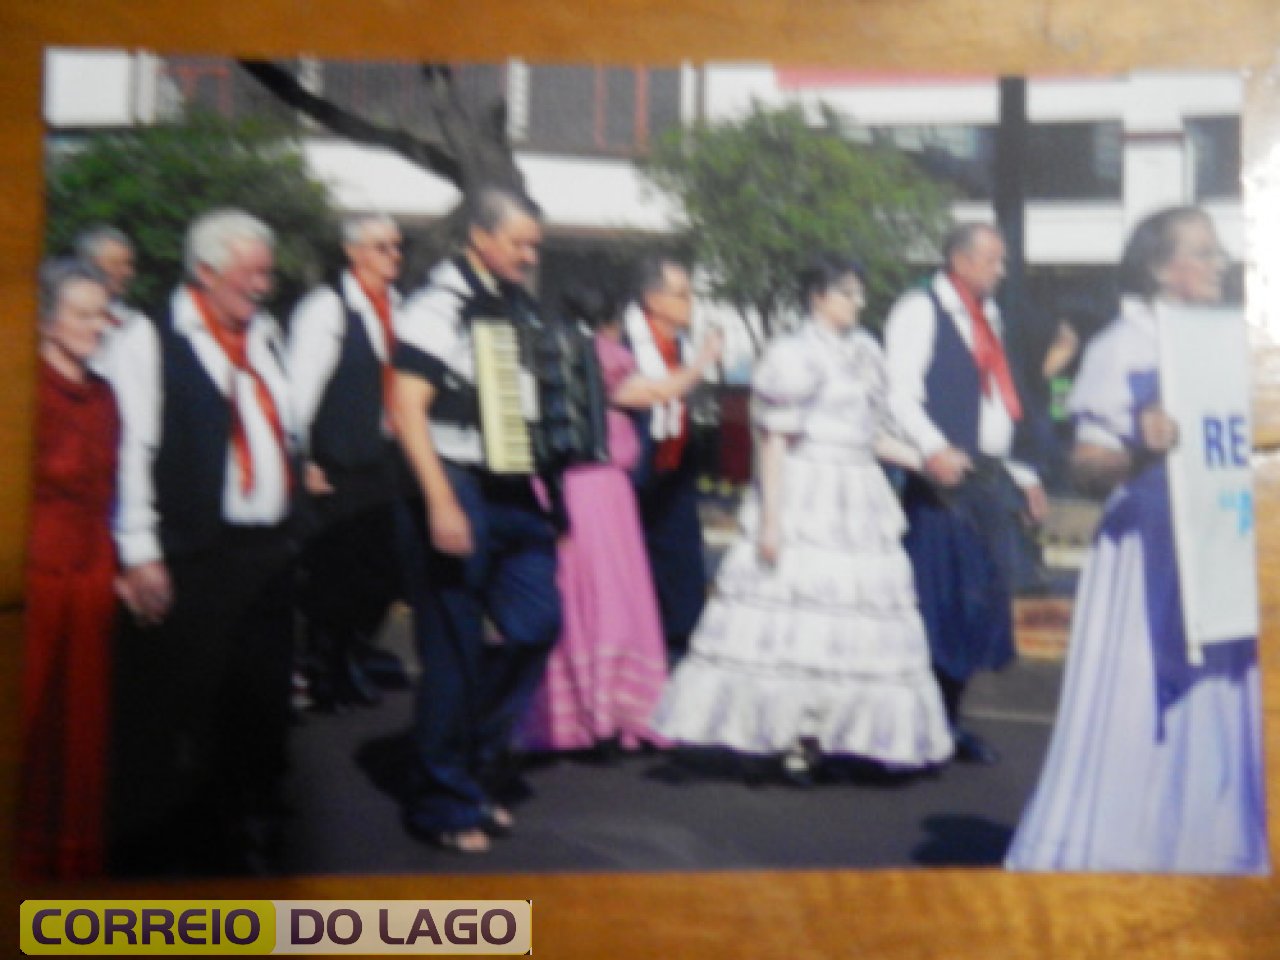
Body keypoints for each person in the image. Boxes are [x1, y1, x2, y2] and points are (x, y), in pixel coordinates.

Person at [1005, 207, 1269, 873]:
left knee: (1217, 700)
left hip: (1218, 542)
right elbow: (1087, 465)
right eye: (1202, 254)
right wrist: (1139, 453)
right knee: (1141, 703)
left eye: (1218, 254)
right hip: (1149, 550)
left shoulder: (1229, 342)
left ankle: (1206, 849)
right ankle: (1125, 852)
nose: (1217, 266)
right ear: (1159, 267)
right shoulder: (1122, 344)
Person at [654, 255, 954, 782]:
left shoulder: (865, 352)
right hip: (807, 489)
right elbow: (774, 440)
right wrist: (772, 521)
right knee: (794, 613)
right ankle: (791, 735)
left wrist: (928, 460)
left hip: (857, 489)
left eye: (860, 294)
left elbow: (870, 435)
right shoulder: (792, 354)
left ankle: (833, 732)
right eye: (848, 293)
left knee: (852, 613)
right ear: (819, 297)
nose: (858, 303)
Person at [109, 209, 296, 875]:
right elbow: (133, 449)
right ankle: (180, 854)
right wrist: (139, 552)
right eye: (252, 273)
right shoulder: (151, 341)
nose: (263, 285)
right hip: (197, 553)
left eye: (267, 272)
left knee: (261, 701)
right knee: (188, 705)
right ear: (206, 270)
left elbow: (281, 433)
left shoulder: (265, 337)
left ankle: (250, 830)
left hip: (268, 552)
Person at [391, 186, 561, 854]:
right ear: (480, 238)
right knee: (454, 651)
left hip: (513, 486)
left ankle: (465, 760)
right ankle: (444, 800)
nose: (528, 256)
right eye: (519, 243)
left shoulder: (515, 306)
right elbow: (407, 410)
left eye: (533, 245)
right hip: (454, 479)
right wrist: (439, 501)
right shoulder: (436, 307)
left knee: (536, 623)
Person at [518, 283, 721, 756]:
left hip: (565, 484)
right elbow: (655, 392)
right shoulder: (602, 357)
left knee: (577, 590)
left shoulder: (551, 352)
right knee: (609, 593)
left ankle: (579, 705)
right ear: (611, 320)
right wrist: (702, 361)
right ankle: (609, 709)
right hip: (600, 488)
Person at [884, 222, 1047, 764]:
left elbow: (1001, 402)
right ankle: (923, 727)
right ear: (960, 260)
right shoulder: (920, 310)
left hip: (988, 478)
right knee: (939, 603)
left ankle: (949, 723)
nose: (1001, 271)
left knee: (979, 605)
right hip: (945, 481)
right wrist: (932, 449)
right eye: (992, 261)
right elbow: (900, 394)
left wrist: (1021, 472)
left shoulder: (987, 318)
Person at [17, 261, 117, 878]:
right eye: (81, 313)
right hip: (36, 579)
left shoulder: (104, 394)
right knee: (28, 726)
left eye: (101, 313)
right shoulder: (24, 391)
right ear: (48, 318)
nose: (95, 327)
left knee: (82, 733)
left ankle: (71, 871)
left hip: (90, 577)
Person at [288, 213, 407, 709]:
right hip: (336, 464)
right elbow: (300, 391)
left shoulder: (396, 307)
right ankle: (322, 669)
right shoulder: (328, 309)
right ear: (354, 252)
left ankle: (349, 657)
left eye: (397, 247)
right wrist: (302, 458)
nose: (394, 256)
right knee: (333, 574)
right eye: (381, 247)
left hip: (382, 461)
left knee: (381, 571)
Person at [624, 257, 714, 662]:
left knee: (683, 569)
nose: (690, 302)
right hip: (636, 474)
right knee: (635, 573)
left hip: (674, 469)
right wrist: (699, 367)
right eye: (681, 294)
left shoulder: (680, 341)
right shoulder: (627, 341)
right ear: (652, 300)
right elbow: (651, 392)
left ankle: (679, 654)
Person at [75, 224, 148, 378]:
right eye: (116, 264)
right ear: (89, 264)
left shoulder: (136, 324)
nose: (128, 273)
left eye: (128, 264)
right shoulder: (64, 321)